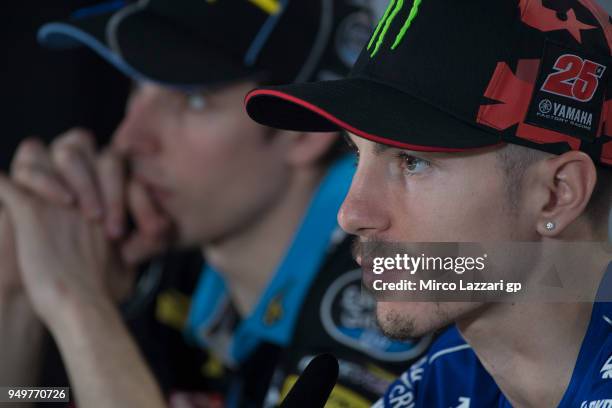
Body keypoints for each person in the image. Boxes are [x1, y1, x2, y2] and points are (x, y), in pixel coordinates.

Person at [0, 0, 432, 407]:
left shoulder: (418, 282)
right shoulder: (168, 257)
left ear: (303, 129)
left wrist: (77, 303)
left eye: (194, 100)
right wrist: (20, 285)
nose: (128, 139)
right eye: (137, 85)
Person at [244, 0, 612, 406]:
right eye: (356, 155)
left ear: (558, 194)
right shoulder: (446, 380)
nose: (352, 215)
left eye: (412, 162)